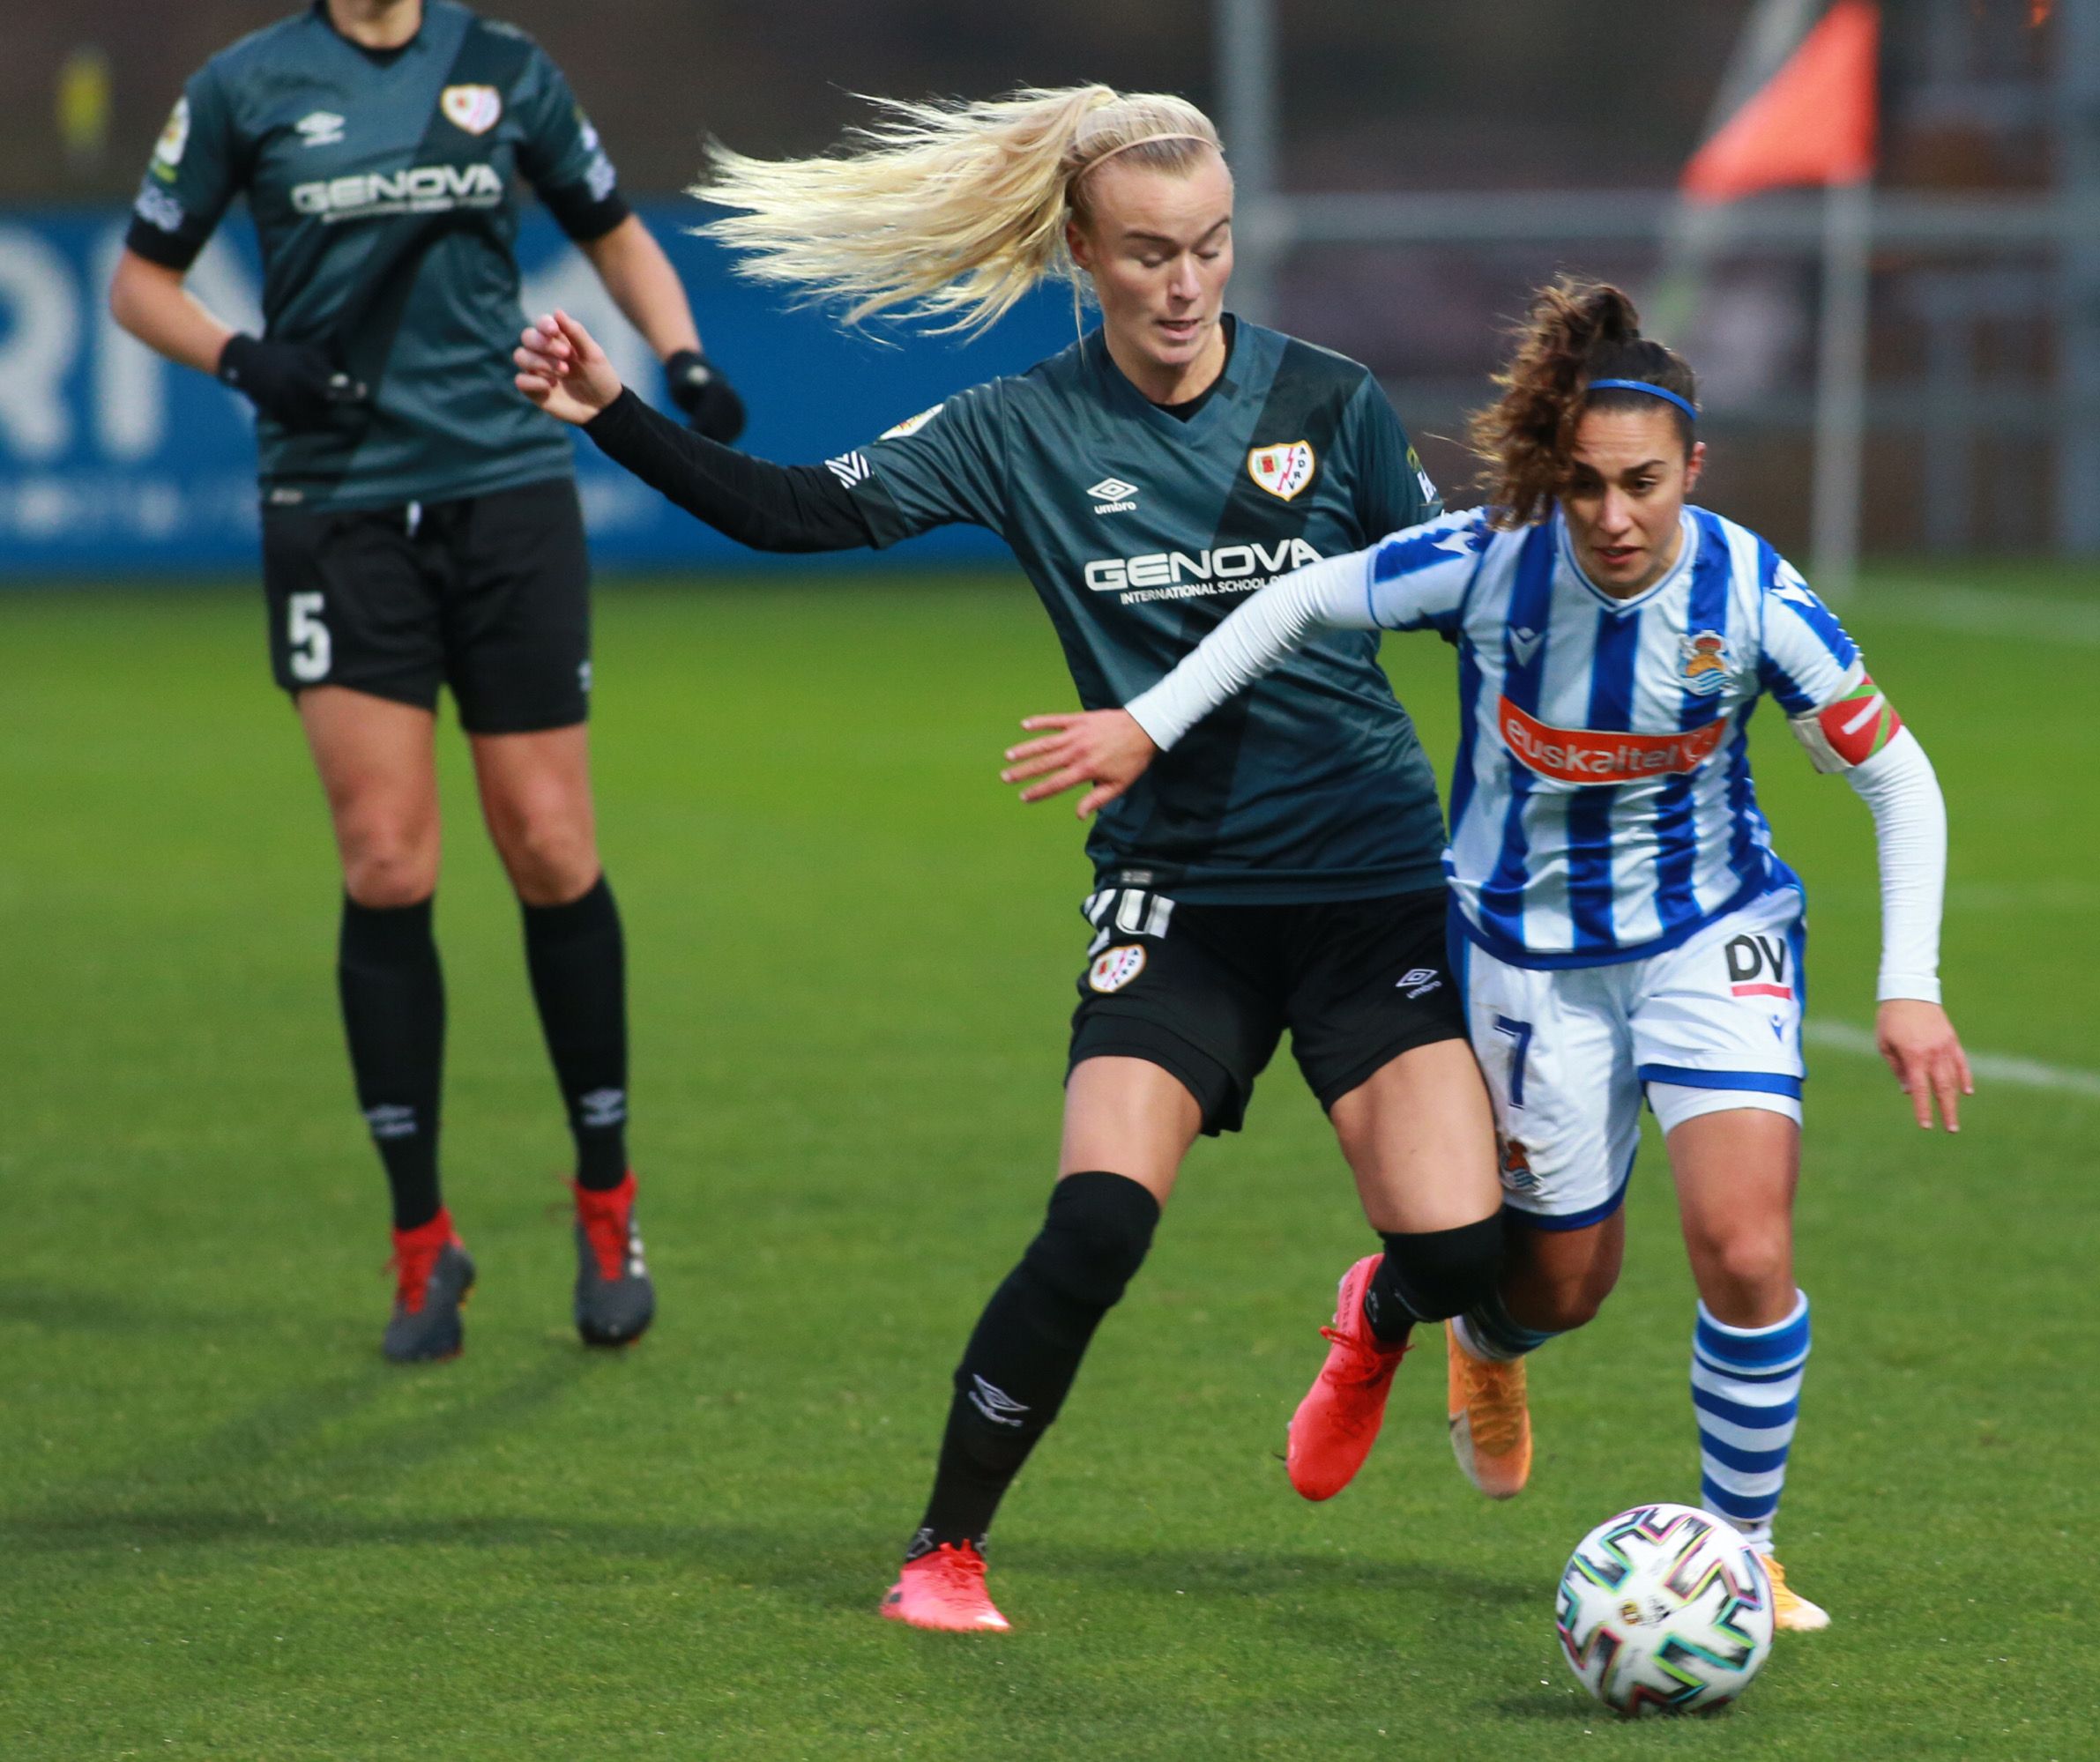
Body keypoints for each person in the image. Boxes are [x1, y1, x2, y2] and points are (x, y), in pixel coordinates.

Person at [509, 85, 1504, 1634]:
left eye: (1213, 247)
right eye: (1149, 253)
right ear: (1081, 256)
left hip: (1369, 882)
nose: (1185, 286)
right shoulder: (1019, 426)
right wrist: (611, 415)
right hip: (1178, 900)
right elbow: (795, 512)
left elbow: (1460, 605)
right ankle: (944, 1552)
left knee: (1464, 1257)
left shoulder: (1335, 404)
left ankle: (1378, 1313)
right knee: (1098, 1221)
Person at [1003, 279, 1977, 1632]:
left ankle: (1738, 1561)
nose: (1616, 517)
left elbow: (1900, 779)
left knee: (1745, 1246)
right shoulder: (1486, 560)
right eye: (1584, 484)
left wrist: (1909, 986)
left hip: (1711, 935)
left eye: (1643, 482)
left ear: (1695, 465)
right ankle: (1450, 1330)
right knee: (1559, 1286)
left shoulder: (1757, 592)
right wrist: (1149, 724)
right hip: (1525, 956)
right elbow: (1292, 602)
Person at [108, 0, 746, 1364]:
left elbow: (612, 228)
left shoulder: (503, 68)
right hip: (335, 510)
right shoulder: (247, 85)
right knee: (389, 865)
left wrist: (680, 356)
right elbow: (139, 282)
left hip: (506, 496)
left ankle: (607, 1202)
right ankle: (421, 1246)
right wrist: (245, 357)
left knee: (553, 848)